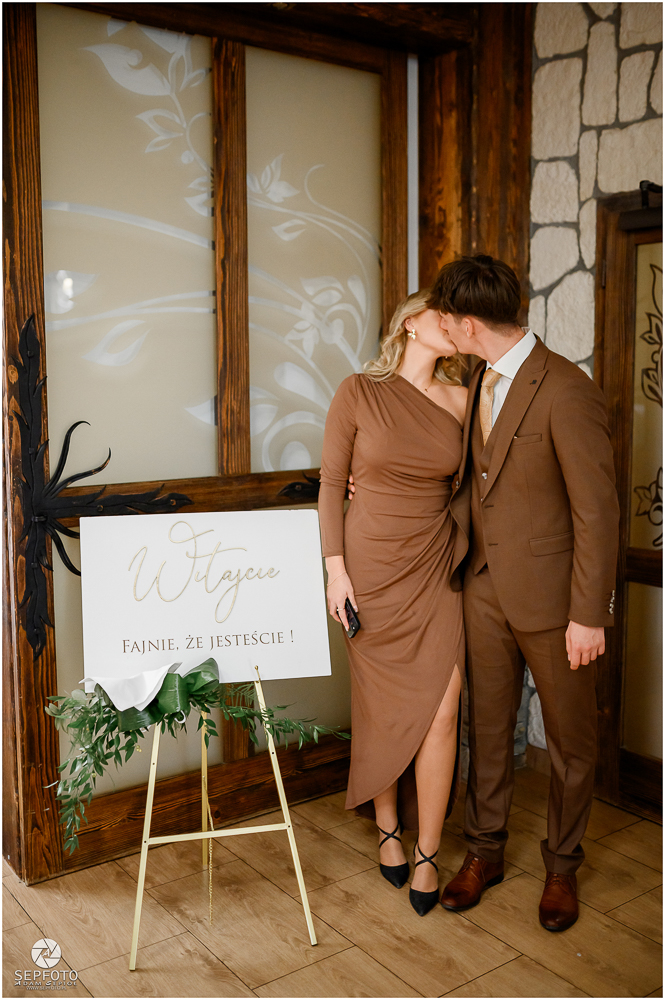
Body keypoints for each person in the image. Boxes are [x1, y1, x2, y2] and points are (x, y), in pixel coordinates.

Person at [430, 254, 619, 931]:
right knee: (486, 730)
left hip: (555, 603)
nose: (444, 329)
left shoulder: (566, 389)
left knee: (570, 742)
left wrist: (588, 614)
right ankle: (484, 853)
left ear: (467, 324)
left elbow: (597, 511)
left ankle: (562, 867)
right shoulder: (477, 375)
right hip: (482, 589)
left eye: (447, 321)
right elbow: (473, 480)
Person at [318, 289, 468, 916]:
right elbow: (332, 485)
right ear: (410, 323)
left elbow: (479, 484)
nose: (454, 324)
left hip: (433, 567)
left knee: (442, 707)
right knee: (379, 707)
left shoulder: (464, 399)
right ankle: (388, 830)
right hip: (370, 571)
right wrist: (336, 573)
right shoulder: (358, 391)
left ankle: (429, 850)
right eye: (443, 313)